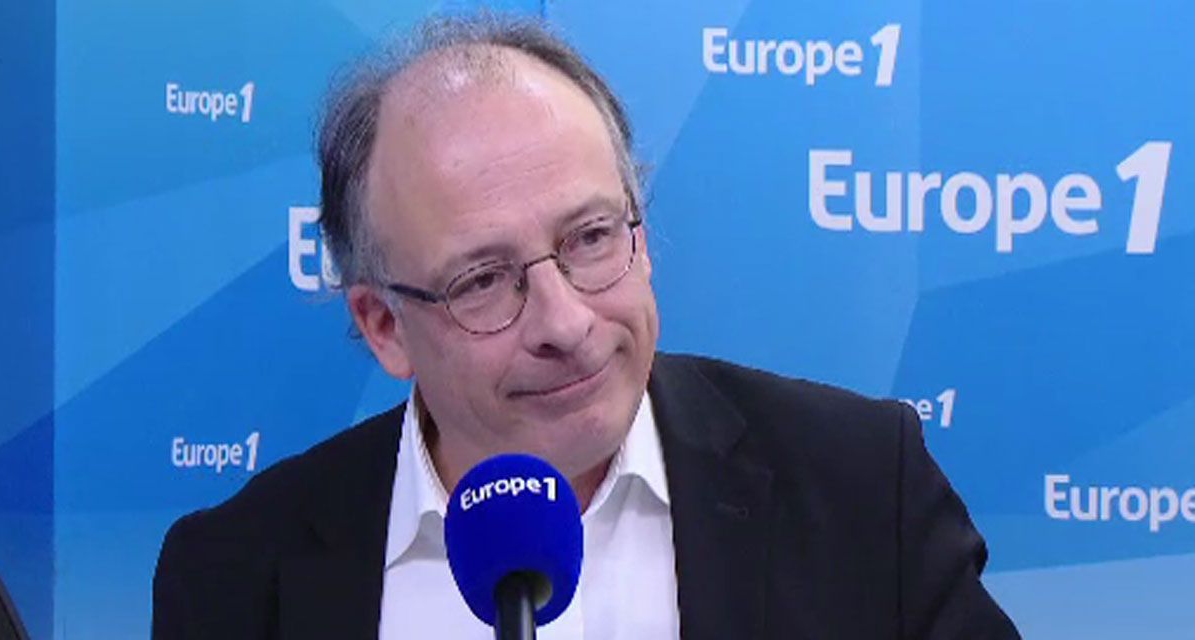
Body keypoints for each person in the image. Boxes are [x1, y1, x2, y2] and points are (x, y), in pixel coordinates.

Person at [153, 14, 1020, 640]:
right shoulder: (234, 577)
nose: (565, 323)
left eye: (592, 237)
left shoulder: (862, 489)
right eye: (482, 281)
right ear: (385, 326)